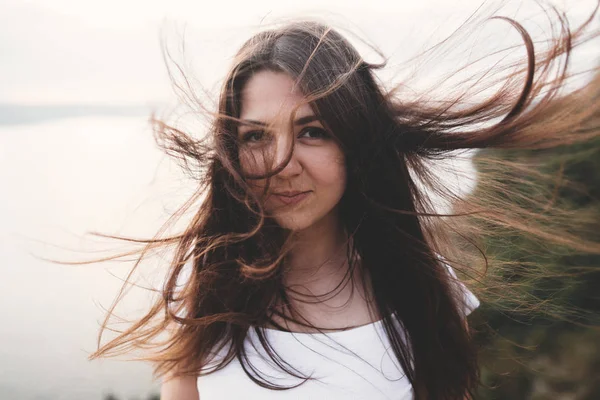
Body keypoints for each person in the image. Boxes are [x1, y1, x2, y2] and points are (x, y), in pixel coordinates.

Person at [87, 3, 600, 400]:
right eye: (255, 137)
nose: (282, 163)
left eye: (312, 131)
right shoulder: (206, 286)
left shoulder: (421, 288)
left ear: (356, 142)